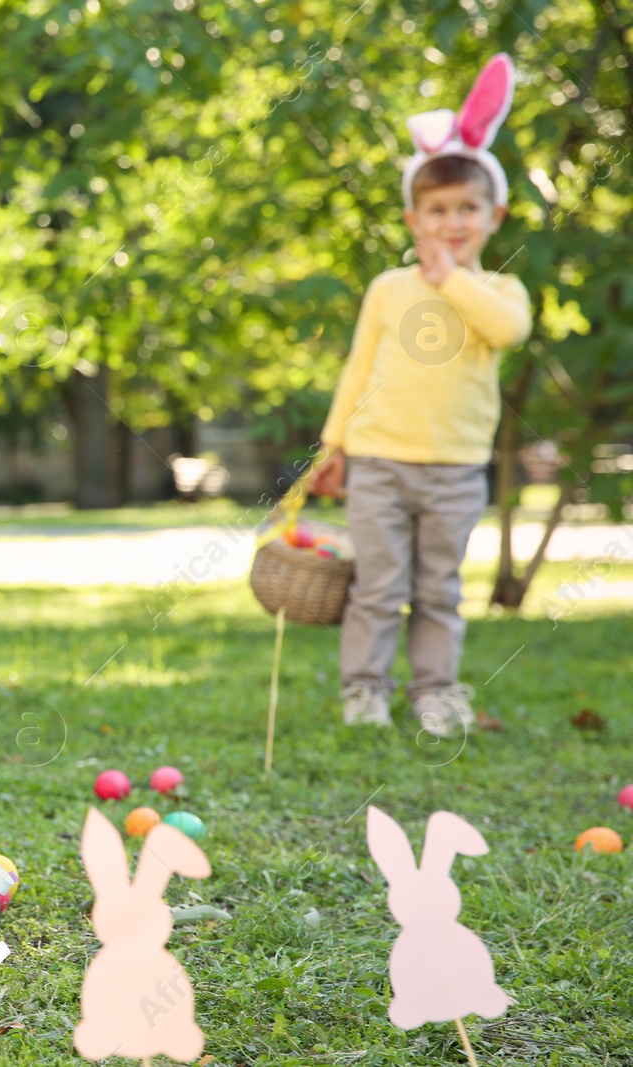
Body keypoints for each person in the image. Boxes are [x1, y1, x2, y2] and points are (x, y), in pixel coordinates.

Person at [311, 55, 532, 737]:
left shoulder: (498, 292)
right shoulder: (388, 289)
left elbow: (508, 330)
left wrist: (451, 278)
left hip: (456, 469)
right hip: (378, 461)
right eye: (438, 211)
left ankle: (435, 691)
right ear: (414, 220)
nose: (453, 223)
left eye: (468, 209)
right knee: (378, 587)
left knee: (439, 590)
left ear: (494, 216)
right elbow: (357, 369)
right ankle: (365, 690)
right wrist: (334, 444)